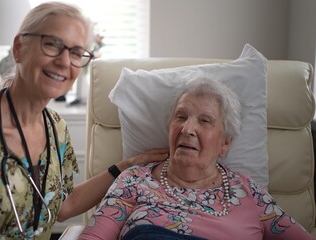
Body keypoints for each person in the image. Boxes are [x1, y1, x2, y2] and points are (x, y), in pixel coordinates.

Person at [0, 2, 168, 239]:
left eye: (75, 52)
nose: (63, 61)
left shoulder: (55, 127)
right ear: (18, 48)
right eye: (51, 44)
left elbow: (63, 205)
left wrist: (126, 166)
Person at [78, 77, 315, 240]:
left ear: (225, 142)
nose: (187, 128)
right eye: (180, 117)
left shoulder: (249, 192)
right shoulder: (133, 181)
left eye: (205, 120)